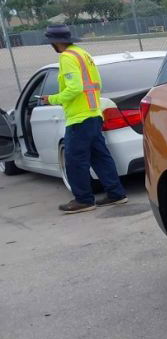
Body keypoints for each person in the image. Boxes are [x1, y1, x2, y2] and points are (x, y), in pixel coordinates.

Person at [39, 25, 127, 213]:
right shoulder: (82, 54)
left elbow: (75, 88)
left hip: (79, 118)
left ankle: (84, 200)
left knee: (75, 160)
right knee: (100, 157)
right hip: (94, 113)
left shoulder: (67, 57)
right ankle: (116, 193)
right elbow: (97, 84)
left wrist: (52, 99)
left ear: (56, 42)